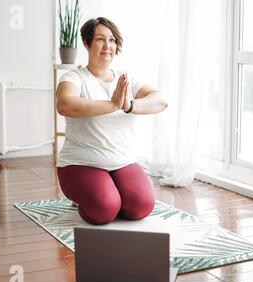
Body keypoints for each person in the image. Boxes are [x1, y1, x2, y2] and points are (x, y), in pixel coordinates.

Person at [55, 17, 168, 225]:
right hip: (81, 163)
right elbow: (65, 105)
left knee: (141, 207)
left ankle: (110, 191)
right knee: (104, 210)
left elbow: (161, 101)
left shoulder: (126, 79)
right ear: (87, 44)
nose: (108, 46)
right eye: (100, 39)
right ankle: (83, 199)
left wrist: (129, 106)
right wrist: (113, 105)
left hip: (121, 161)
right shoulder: (74, 78)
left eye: (112, 40)